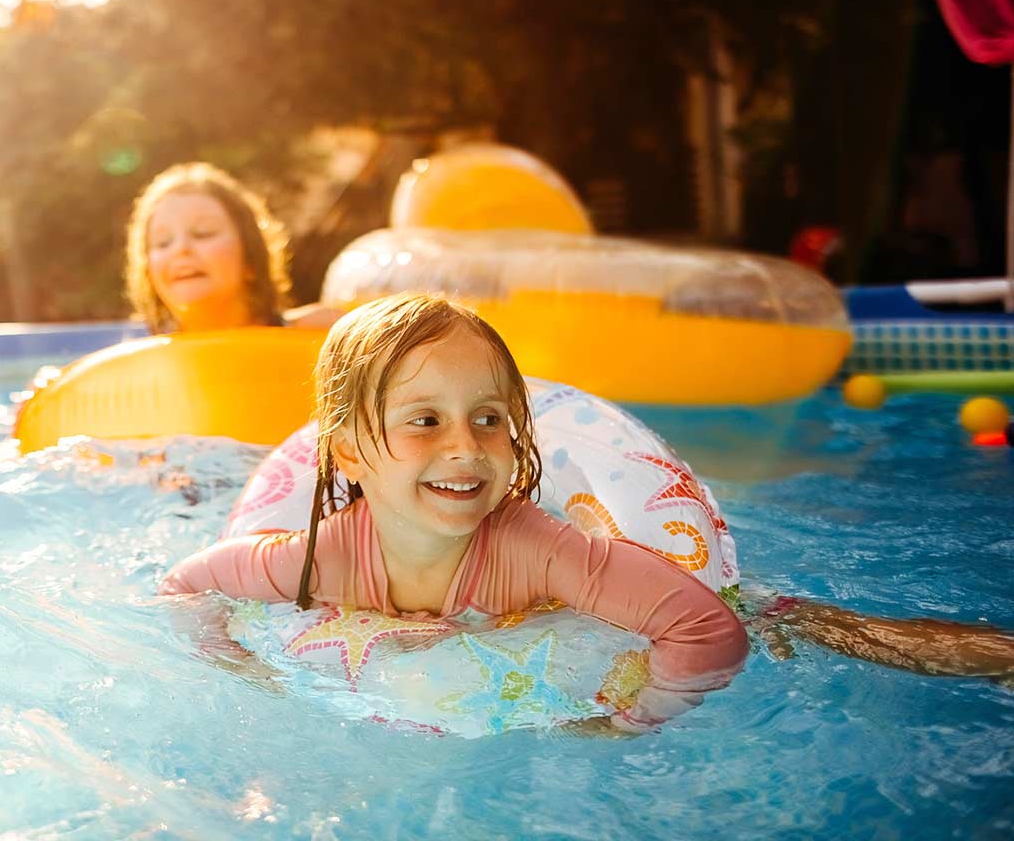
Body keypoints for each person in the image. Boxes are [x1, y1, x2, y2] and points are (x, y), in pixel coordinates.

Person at [161, 293, 750, 732]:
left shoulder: (537, 549)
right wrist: (243, 672)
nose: (466, 448)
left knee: (773, 616)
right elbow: (185, 585)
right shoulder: (320, 559)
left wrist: (625, 725)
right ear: (348, 451)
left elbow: (706, 630)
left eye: (489, 419)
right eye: (425, 421)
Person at [124, 163, 342, 334]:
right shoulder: (133, 370)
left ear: (250, 257)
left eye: (203, 233)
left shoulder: (322, 332)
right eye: (163, 242)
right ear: (147, 272)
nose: (180, 249)